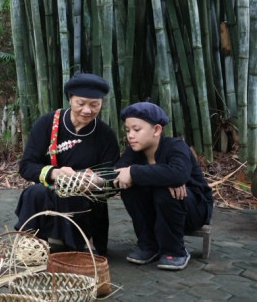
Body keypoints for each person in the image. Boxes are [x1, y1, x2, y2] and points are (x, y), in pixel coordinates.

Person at [14, 73, 119, 254]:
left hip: (85, 198)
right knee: (34, 192)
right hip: (49, 191)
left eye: (94, 105)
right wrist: (56, 173)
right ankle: (33, 246)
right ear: (70, 99)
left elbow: (114, 176)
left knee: (74, 197)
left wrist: (96, 181)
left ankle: (78, 245)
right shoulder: (47, 123)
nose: (87, 110)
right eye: (81, 103)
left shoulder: (105, 134)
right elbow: (27, 166)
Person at [115, 102, 213, 271]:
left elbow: (178, 174)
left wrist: (134, 172)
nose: (130, 135)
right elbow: (119, 173)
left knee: (166, 190)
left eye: (136, 130)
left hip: (193, 209)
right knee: (129, 188)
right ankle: (148, 246)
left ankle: (174, 251)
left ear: (157, 130)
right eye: (128, 130)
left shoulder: (176, 146)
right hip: (157, 209)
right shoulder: (134, 151)